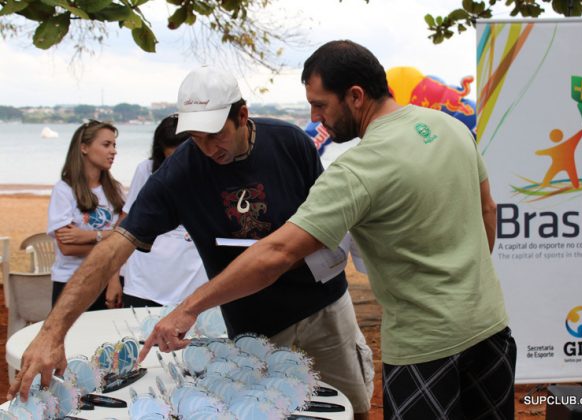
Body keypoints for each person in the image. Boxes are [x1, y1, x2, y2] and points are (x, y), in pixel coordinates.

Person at [137, 40, 516, 418]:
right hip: (491, 328)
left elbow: (277, 253)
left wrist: (189, 308)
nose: (316, 118)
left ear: (355, 96)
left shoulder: (357, 170)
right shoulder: (450, 127)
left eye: (320, 105)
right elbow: (488, 210)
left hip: (426, 347)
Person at [10, 66, 373, 419]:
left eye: (216, 134)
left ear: (242, 115)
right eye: (196, 137)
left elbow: (329, 223)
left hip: (324, 305)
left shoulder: (290, 142)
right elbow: (115, 246)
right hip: (253, 322)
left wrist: (188, 307)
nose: (208, 147)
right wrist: (52, 332)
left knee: (351, 402)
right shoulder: (181, 172)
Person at [121, 115, 207, 307]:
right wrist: (113, 280)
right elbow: (126, 227)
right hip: (142, 285)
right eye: (172, 159)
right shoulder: (146, 170)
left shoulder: (210, 173)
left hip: (192, 288)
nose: (179, 165)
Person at [47, 120, 124, 311]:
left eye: (114, 145)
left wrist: (88, 236)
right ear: (84, 148)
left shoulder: (116, 191)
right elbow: (67, 247)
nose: (113, 151)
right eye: (106, 145)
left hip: (108, 281)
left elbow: (126, 239)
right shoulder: (64, 190)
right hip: (71, 282)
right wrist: (111, 239)